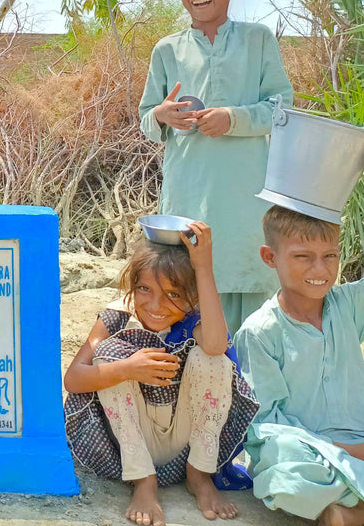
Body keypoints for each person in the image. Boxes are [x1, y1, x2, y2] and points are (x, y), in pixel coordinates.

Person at [235, 130, 364, 526]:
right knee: (281, 465)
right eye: (303, 257)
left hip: (363, 445)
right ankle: (363, 507)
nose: (320, 270)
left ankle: (349, 513)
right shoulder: (259, 332)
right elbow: (266, 427)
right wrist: (357, 456)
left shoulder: (349, 307)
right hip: (307, 455)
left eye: (330, 256)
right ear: (270, 257)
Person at [139, 0, 294, 334]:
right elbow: (145, 120)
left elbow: (281, 109)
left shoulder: (257, 39)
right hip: (190, 195)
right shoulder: (167, 50)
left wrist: (233, 118)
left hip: (247, 200)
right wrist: (162, 115)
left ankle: (252, 390)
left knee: (254, 300)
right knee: (186, 288)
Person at [64, 223, 258, 526]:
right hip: (130, 444)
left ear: (192, 295)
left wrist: (203, 267)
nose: (156, 305)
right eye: (144, 289)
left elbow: (218, 344)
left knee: (213, 359)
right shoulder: (118, 316)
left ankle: (200, 477)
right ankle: (144, 482)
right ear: (132, 286)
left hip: (187, 446)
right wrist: (126, 369)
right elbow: (73, 379)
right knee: (107, 357)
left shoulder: (194, 320)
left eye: (173, 293)